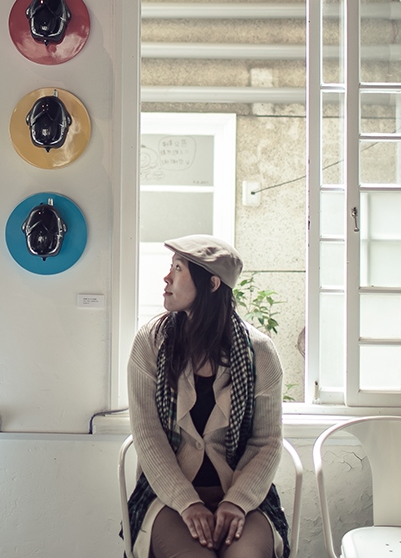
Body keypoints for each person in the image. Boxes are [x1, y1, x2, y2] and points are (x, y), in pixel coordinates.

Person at [126, 235, 289, 558]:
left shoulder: (260, 353)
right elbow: (148, 435)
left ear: (212, 284)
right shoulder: (150, 343)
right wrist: (188, 503)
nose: (167, 277)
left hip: (244, 498)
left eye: (178, 269)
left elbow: (267, 441)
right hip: (168, 498)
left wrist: (236, 502)